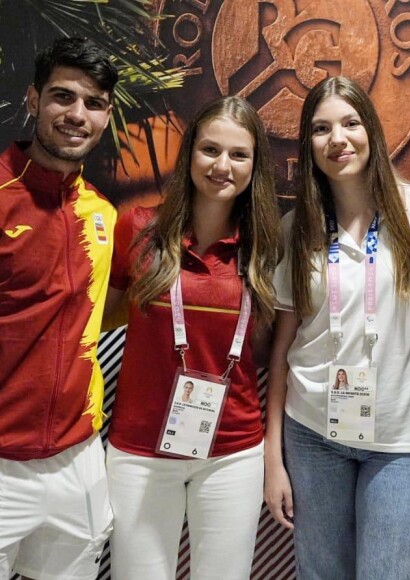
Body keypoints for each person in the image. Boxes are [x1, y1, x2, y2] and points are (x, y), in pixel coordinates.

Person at [264, 76, 410, 579]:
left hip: (400, 439)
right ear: (308, 144)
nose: (338, 139)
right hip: (312, 432)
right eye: (322, 128)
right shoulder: (296, 228)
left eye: (350, 123)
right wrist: (272, 455)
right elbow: (283, 347)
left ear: (370, 129)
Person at [104, 95, 280, 580]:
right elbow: (103, 319)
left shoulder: (268, 248)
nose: (222, 166)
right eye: (210, 150)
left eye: (238, 155)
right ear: (190, 155)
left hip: (232, 452)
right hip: (141, 451)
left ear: (254, 166)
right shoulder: (139, 229)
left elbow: (273, 350)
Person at [0, 36, 118, 580]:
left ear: (107, 117)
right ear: (32, 99)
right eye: (62, 97)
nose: (77, 115)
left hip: (78, 461)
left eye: (93, 104)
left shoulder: (103, 214)